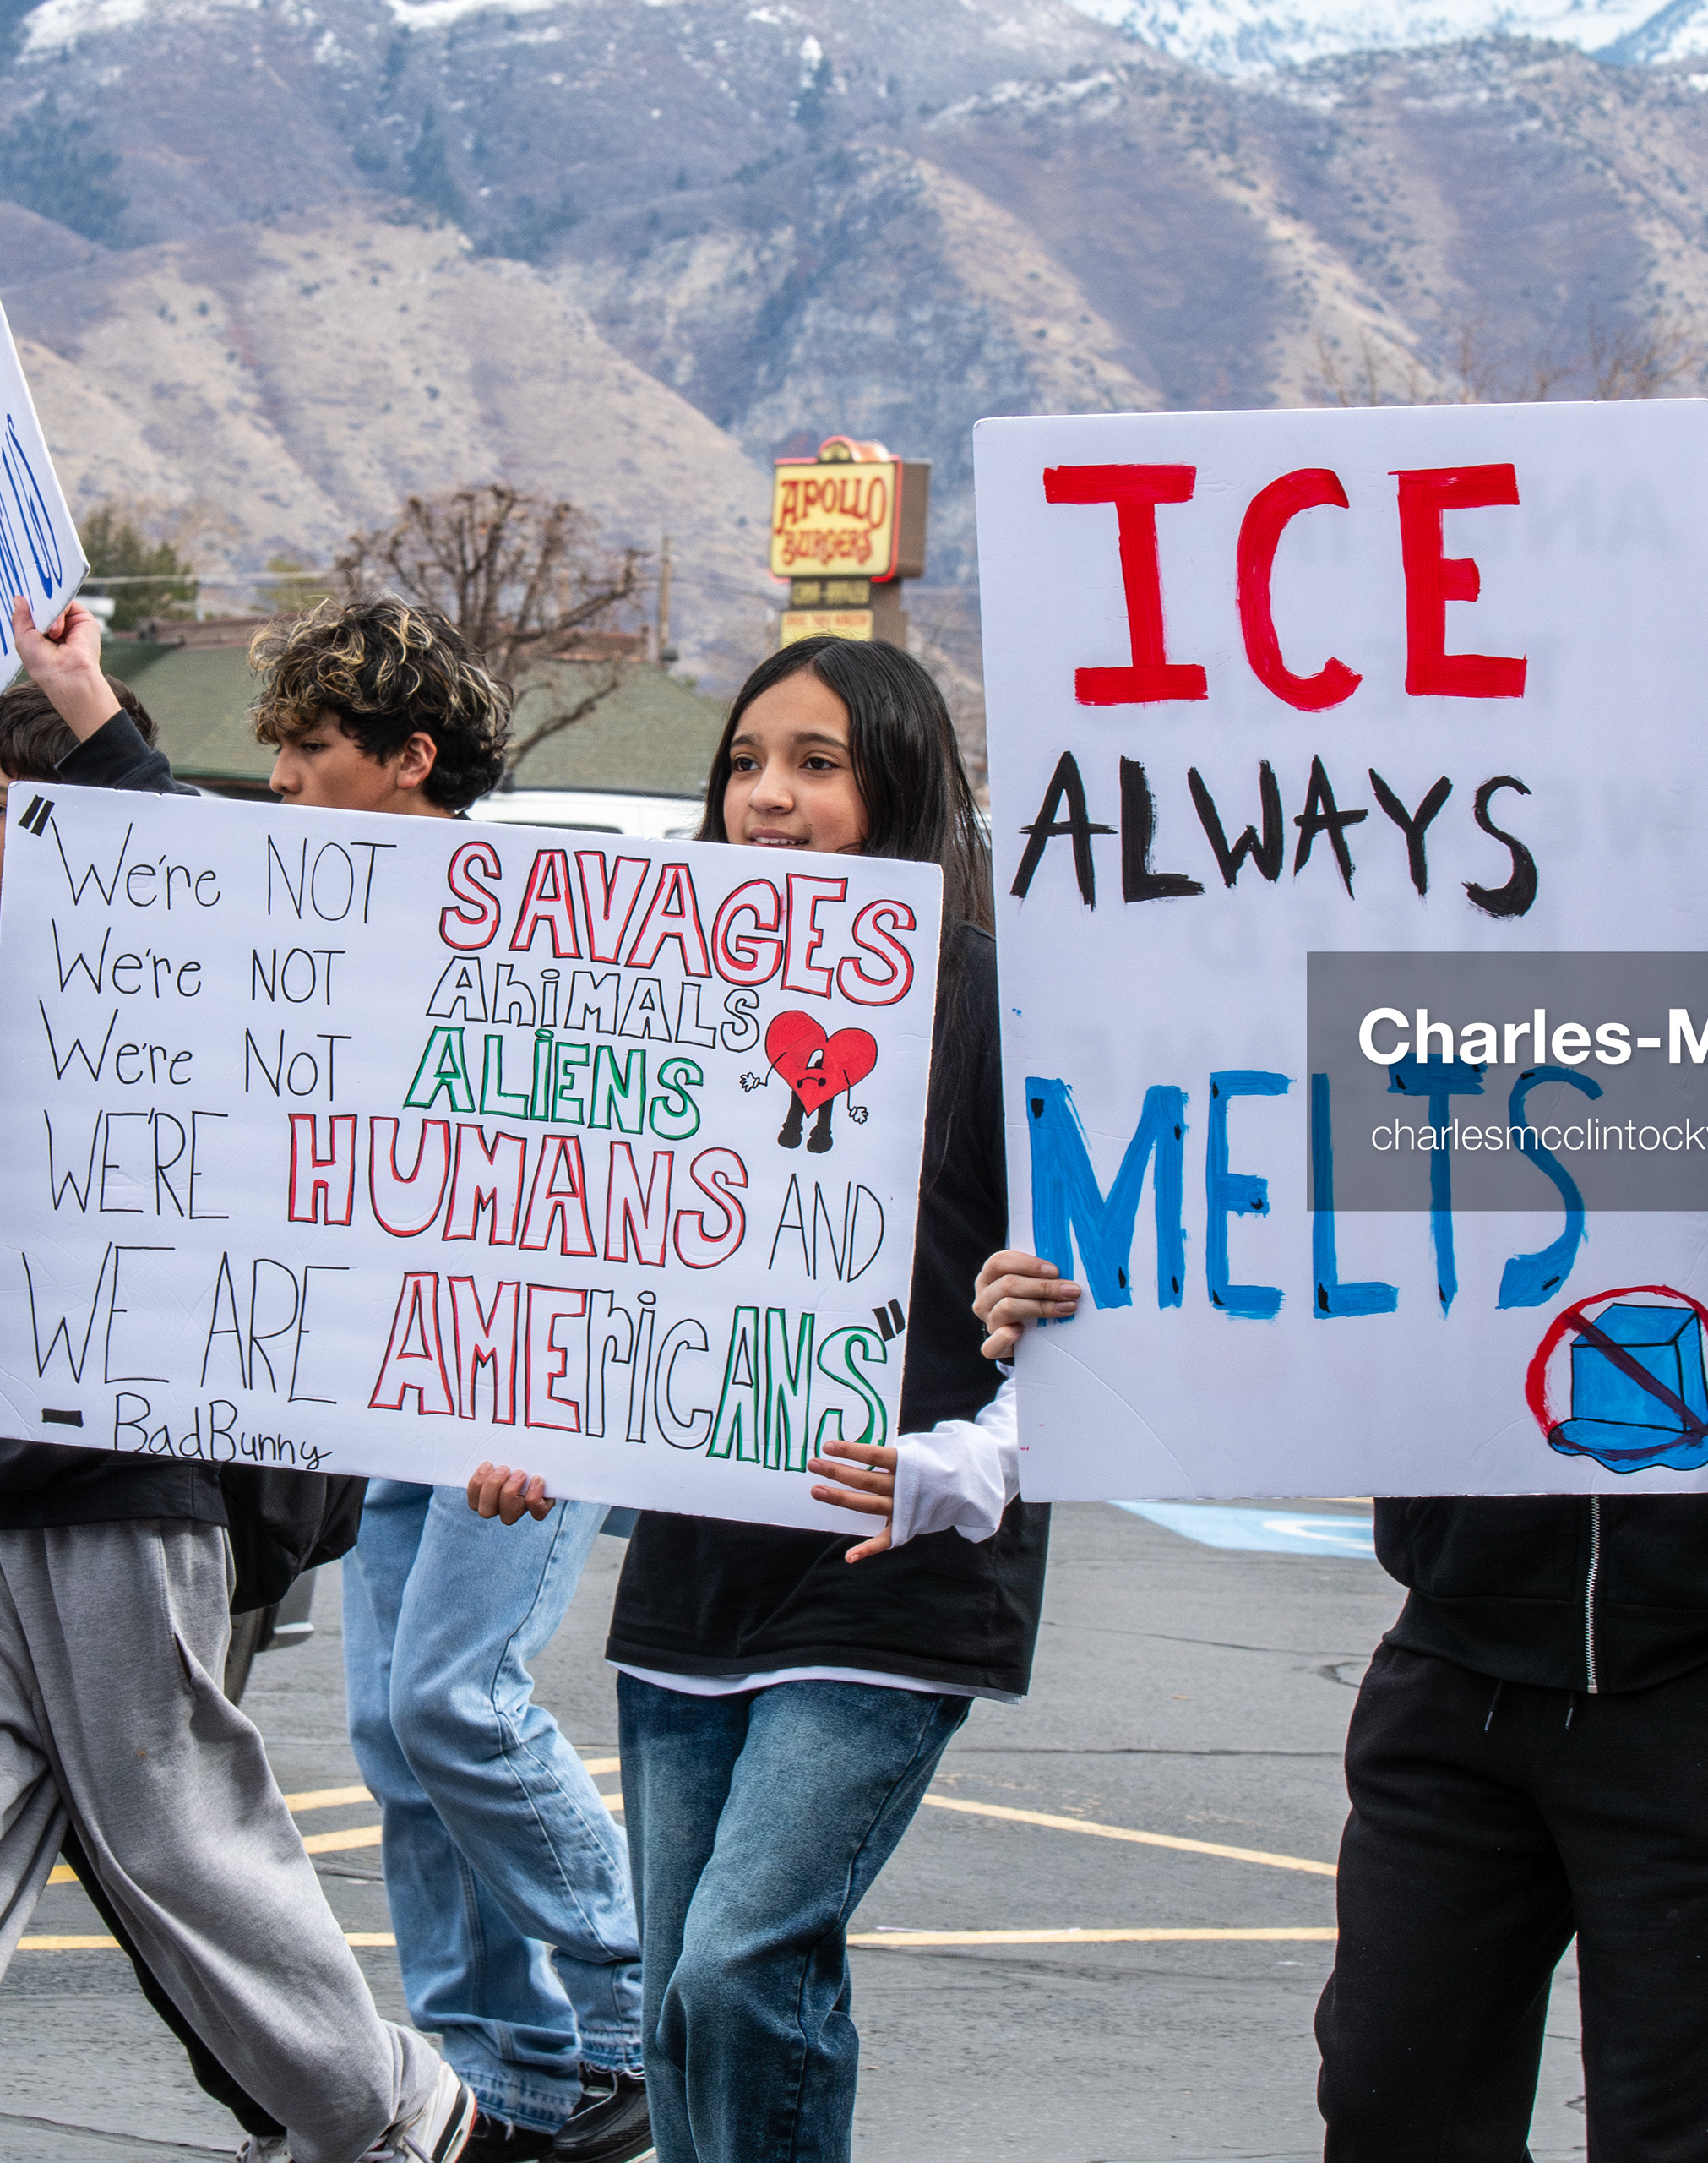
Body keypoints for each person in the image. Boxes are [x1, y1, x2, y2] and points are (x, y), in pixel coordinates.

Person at [981, 638, 1708, 2160]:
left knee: (1694, 2137)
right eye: (1688, 795)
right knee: (1394, 2108)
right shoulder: (1465, 1045)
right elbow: (1253, 1239)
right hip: (1460, 1676)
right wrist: (1070, 1296)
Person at [0, 519, 474, 2163]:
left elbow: (183, 852)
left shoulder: (217, 961)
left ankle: (398, 2110)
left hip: (133, 1479)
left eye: (17, 811)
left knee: (173, 1833)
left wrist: (93, 703)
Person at [467, 636, 1042, 2163]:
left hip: (890, 1576)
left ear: (901, 784)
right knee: (678, 2005)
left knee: (739, 1967)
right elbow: (609, 1256)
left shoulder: (998, 1000)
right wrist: (546, 1424)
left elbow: (1088, 1311)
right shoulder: (664, 994)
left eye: (817, 763)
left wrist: (966, 1465)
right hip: (695, 1584)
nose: (768, 797)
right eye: (745, 762)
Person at [247, 596, 650, 2163]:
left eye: (310, 748)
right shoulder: (304, 916)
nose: (280, 778)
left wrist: (541, 1397)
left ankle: (630, 2009)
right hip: (388, 1371)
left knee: (452, 1701)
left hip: (525, 1376)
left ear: (411, 761)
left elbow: (607, 1165)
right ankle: (499, 2064)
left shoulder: (538, 922)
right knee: (386, 1728)